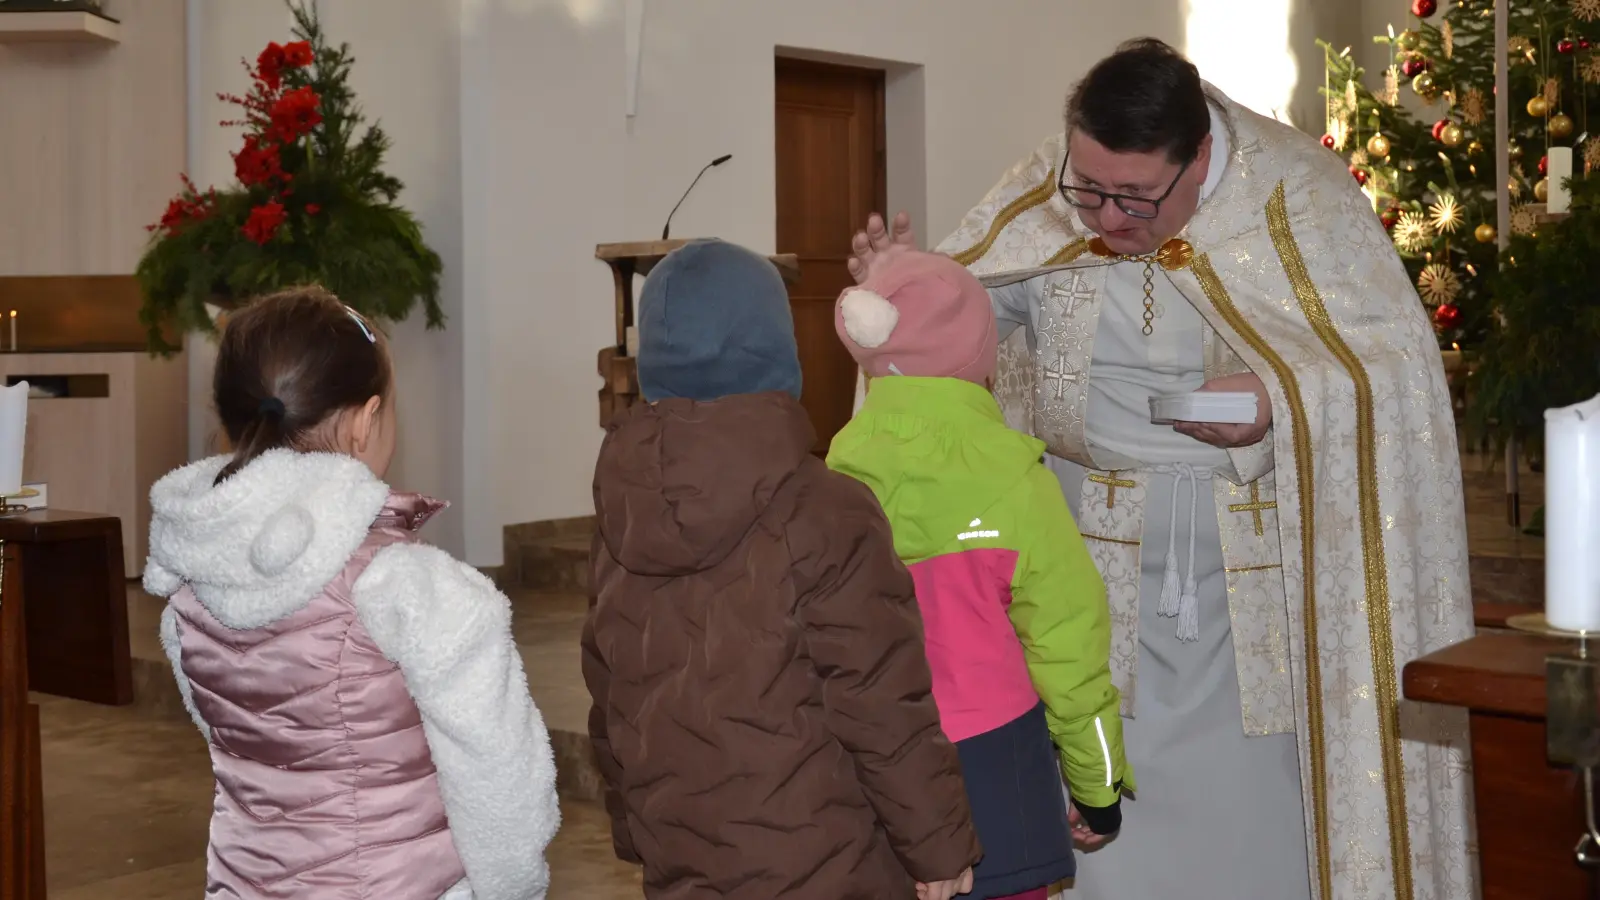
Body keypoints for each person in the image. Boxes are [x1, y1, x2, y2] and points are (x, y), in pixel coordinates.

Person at [847, 37, 1476, 900]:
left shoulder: (1299, 195)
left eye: (1134, 198)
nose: (1104, 219)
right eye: (1088, 189)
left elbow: (1392, 371)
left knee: (1248, 823)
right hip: (1078, 554)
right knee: (1099, 792)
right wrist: (902, 291)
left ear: (1200, 161)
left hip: (1249, 580)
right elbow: (966, 309)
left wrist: (1282, 399)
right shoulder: (1052, 188)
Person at [583, 239, 981, 900]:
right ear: (778, 354)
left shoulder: (622, 514)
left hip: (683, 858)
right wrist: (937, 844)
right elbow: (880, 700)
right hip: (827, 866)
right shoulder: (825, 510)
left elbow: (610, 690)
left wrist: (633, 828)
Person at [146, 288, 559, 900]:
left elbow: (247, 753)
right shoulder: (410, 587)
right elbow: (500, 782)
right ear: (367, 421)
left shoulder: (187, 585)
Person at [826, 250, 1131, 900]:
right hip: (998, 770)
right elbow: (1069, 651)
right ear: (980, 357)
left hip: (876, 765)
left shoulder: (838, 466)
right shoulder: (1015, 480)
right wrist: (1097, 787)